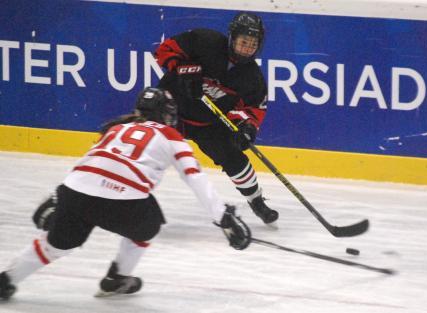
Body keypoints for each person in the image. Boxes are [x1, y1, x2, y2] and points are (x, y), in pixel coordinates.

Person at [0, 87, 251, 301]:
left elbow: (91, 162)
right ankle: (117, 278)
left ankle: (6, 279)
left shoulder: (115, 128)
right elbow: (194, 178)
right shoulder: (172, 136)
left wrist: (58, 196)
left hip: (75, 189)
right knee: (150, 224)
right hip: (122, 199)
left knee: (57, 243)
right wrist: (224, 218)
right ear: (166, 114)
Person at [154, 12, 279, 225]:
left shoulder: (252, 78)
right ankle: (128, 189)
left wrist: (247, 128)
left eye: (253, 44)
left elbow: (253, 110)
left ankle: (256, 201)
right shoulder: (205, 41)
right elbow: (164, 50)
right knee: (145, 146)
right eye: (243, 42)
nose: (247, 48)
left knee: (235, 158)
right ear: (232, 38)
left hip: (208, 124)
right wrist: (181, 68)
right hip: (170, 110)